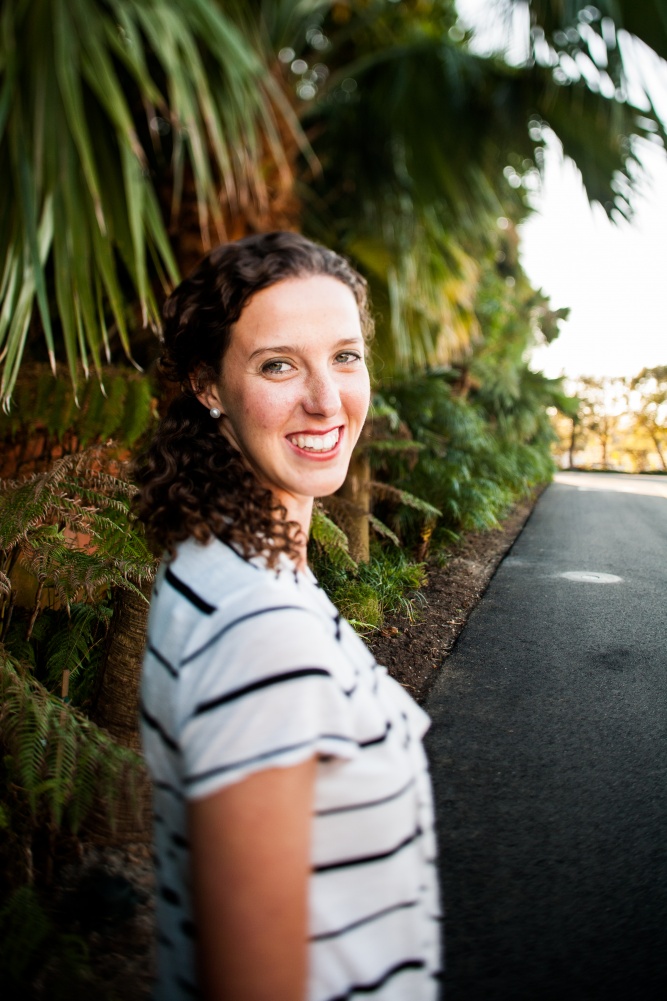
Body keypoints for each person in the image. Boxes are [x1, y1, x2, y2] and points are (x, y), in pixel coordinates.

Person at [135, 231, 442, 1001]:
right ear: (209, 387)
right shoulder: (263, 634)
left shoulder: (217, 565)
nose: (326, 399)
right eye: (279, 364)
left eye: (345, 356)